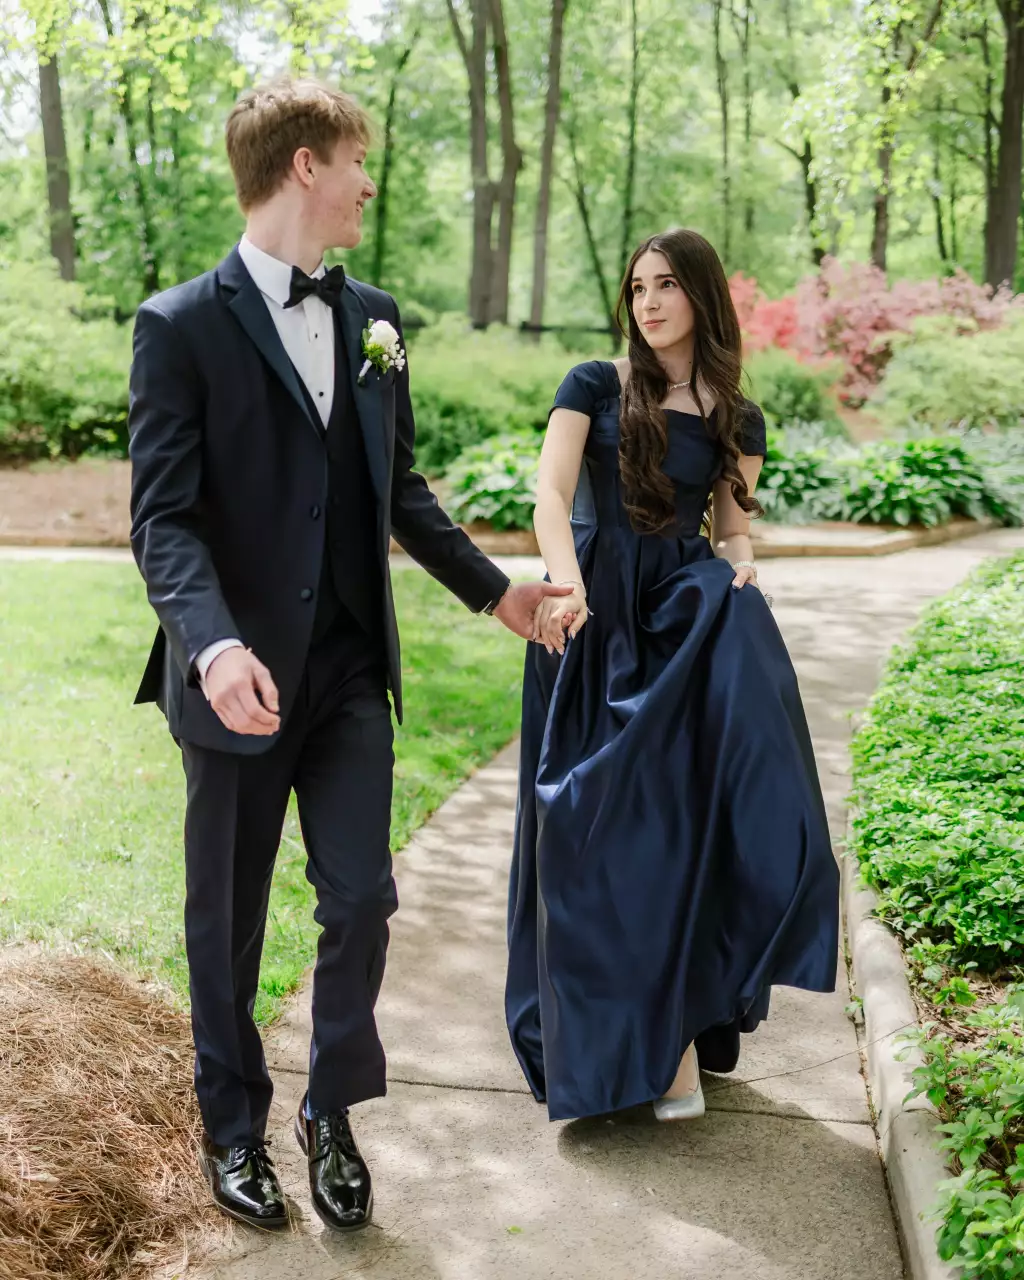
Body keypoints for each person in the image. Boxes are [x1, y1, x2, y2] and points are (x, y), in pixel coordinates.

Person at [127, 77, 569, 1232]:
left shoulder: (374, 315)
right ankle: (231, 1125)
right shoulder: (178, 324)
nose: (371, 181)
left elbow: (397, 490)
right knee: (224, 918)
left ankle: (331, 1107)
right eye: (360, 159)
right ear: (306, 165)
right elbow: (162, 517)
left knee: (362, 898)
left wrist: (497, 596)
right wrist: (211, 642)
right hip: (234, 679)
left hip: (346, 675)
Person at [506, 228, 840, 1123]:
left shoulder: (740, 416)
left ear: (701, 295)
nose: (648, 302)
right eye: (637, 286)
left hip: (680, 623)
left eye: (666, 286)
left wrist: (743, 564)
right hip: (588, 615)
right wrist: (564, 585)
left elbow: (729, 529)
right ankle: (622, 1046)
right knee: (587, 831)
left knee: (679, 833)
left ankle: (678, 1038)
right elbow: (548, 494)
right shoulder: (592, 384)